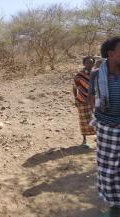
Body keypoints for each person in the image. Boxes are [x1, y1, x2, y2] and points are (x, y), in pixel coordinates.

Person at [88, 37, 120, 217]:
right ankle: (115, 206)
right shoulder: (96, 74)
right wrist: (102, 116)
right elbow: (90, 99)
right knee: (109, 170)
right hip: (106, 129)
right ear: (111, 53)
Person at [73, 56, 96, 146]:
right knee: (83, 120)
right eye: (87, 62)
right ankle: (84, 140)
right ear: (84, 64)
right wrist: (75, 98)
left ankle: (99, 138)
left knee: (97, 119)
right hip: (82, 100)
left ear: (93, 63)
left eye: (91, 62)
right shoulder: (79, 75)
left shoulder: (97, 73)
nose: (89, 64)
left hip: (94, 100)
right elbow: (75, 88)